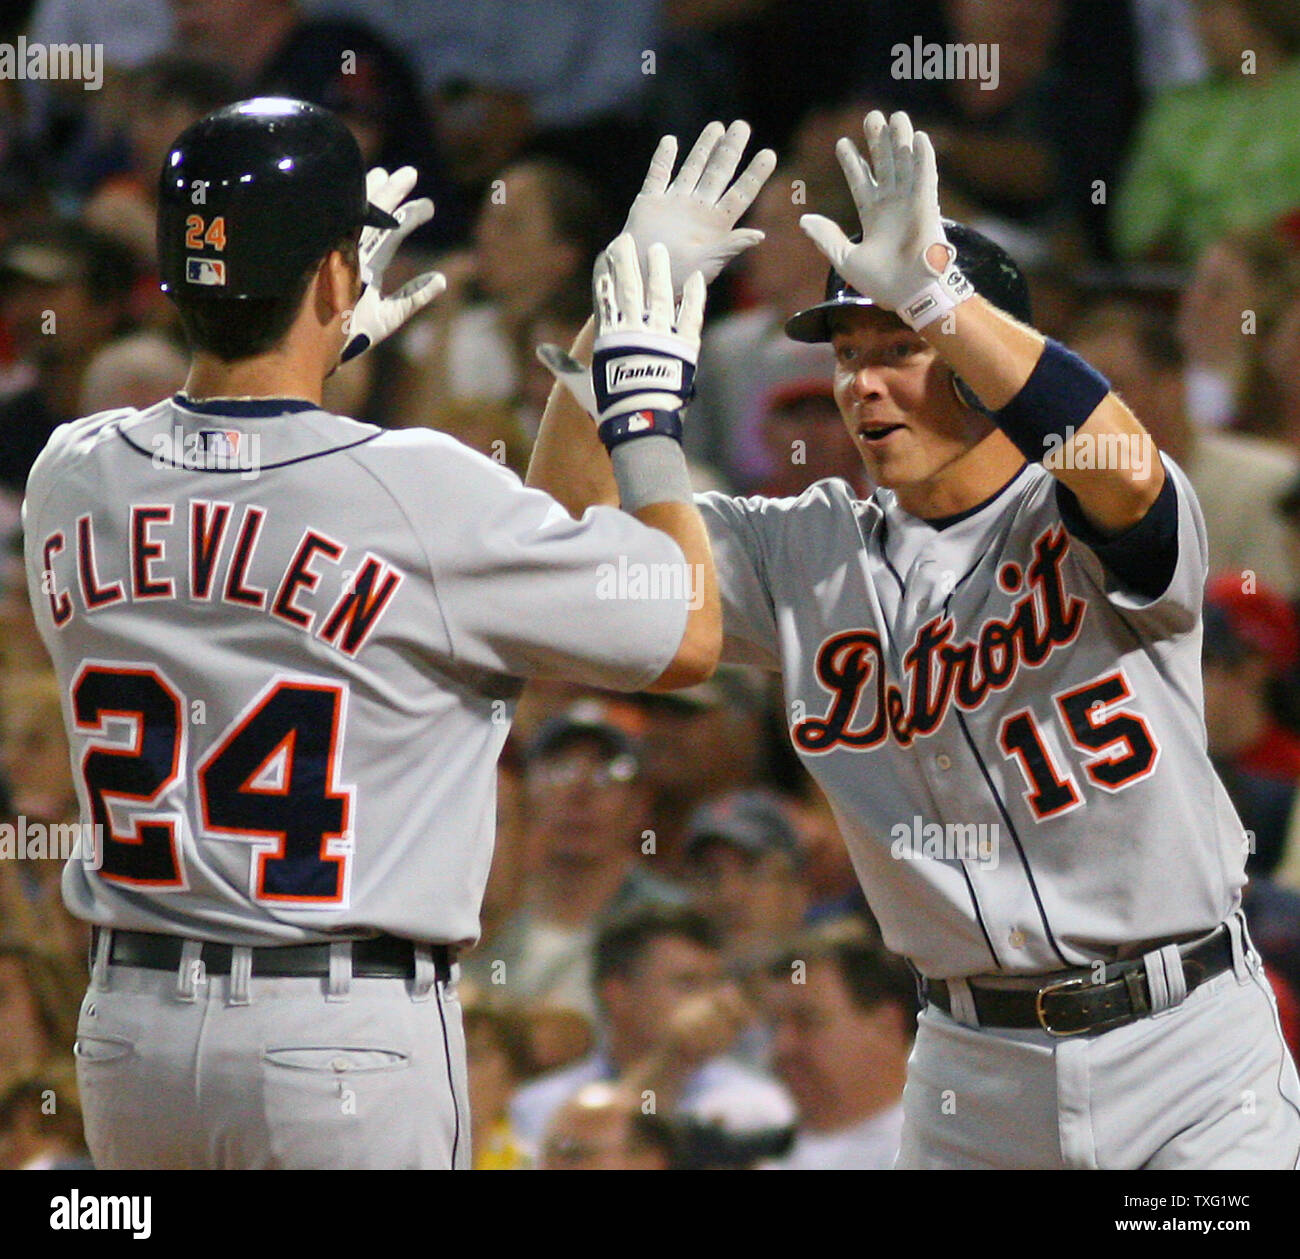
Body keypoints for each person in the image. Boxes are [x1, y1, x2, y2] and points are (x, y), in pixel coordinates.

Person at [532, 108, 1300, 1168]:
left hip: (1186, 1052)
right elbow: (572, 572)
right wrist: (607, 325)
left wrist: (942, 296)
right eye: (849, 354)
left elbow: (1120, 465)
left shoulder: (1077, 504)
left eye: (899, 350)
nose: (860, 382)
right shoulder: (801, 549)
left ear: (981, 363)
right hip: (970, 1071)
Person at [21, 97, 735, 1169]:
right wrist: (635, 401)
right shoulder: (419, 487)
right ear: (334, 275)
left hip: (132, 1032)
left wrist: (312, 342)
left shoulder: (69, 470)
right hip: (337, 1037)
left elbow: (247, 475)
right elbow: (681, 628)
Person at [508, 905, 794, 1150]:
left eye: (715, 983)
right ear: (617, 994)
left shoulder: (758, 1105)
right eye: (688, 984)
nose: (712, 1003)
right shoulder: (538, 1106)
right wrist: (671, 1061)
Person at [762, 919, 914, 1170]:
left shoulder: (946, 1151)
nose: (782, 1047)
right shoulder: (748, 1146)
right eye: (774, 1026)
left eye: (807, 1022)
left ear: (886, 1026)